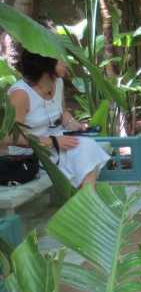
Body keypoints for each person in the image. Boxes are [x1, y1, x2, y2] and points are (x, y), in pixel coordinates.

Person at [2, 49, 110, 188]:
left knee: (85, 146)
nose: (66, 62)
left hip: (56, 141)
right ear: (46, 64)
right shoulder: (21, 94)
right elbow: (10, 136)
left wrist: (74, 125)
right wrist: (52, 141)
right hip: (31, 153)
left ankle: (88, 199)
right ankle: (89, 200)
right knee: (84, 150)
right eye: (61, 59)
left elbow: (62, 113)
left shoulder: (58, 82)